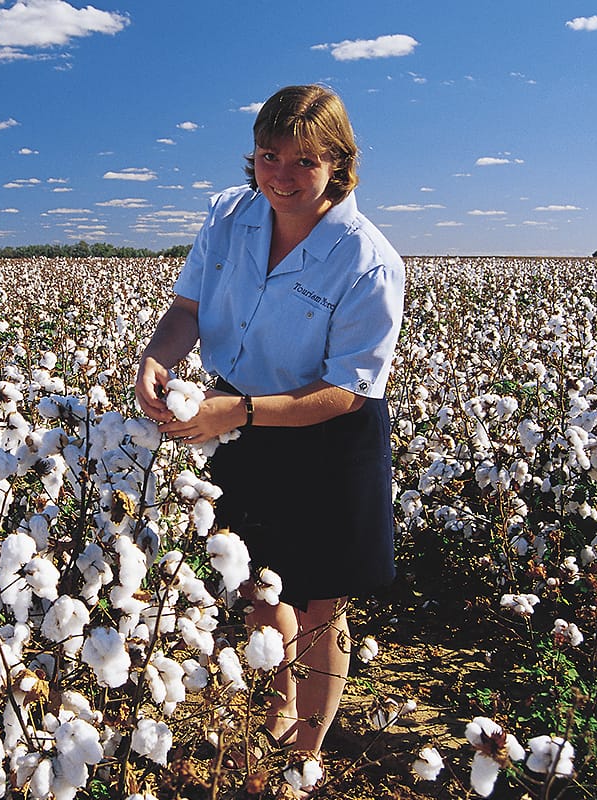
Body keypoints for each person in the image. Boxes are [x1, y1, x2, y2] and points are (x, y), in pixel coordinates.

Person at [134, 84, 405, 772]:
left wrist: (242, 412)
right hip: (239, 419)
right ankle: (279, 702)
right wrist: (154, 360)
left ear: (338, 164)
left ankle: (304, 761)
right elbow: (187, 309)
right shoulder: (229, 215)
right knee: (256, 582)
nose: (281, 175)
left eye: (304, 161)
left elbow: (347, 389)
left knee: (319, 605)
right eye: (268, 155)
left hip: (328, 438)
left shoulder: (368, 261)